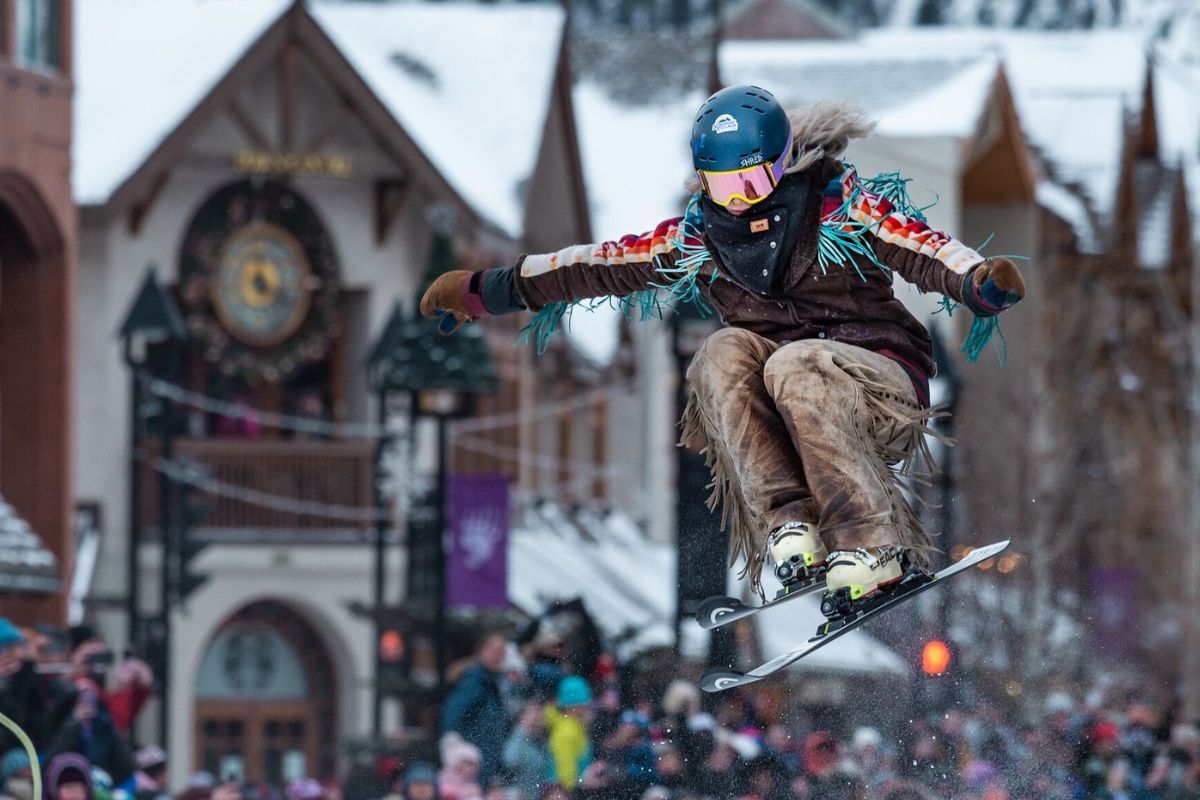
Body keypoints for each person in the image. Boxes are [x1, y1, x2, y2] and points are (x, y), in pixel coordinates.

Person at [420, 85, 1024, 618]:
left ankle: (871, 545)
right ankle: (792, 527)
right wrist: (485, 291)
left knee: (795, 361)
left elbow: (924, 246)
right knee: (720, 353)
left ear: (783, 165)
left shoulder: (842, 207)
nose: (738, 202)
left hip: (877, 383)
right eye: (723, 186)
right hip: (791, 409)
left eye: (751, 183)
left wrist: (978, 282)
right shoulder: (697, 237)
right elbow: (594, 264)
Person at [440, 633, 510, 786]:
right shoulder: (475, 680)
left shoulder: (495, 682)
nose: (498, 656)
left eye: (502, 652)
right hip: (473, 759)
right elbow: (454, 712)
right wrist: (453, 743)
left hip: (489, 757)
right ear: (482, 651)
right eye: (494, 651)